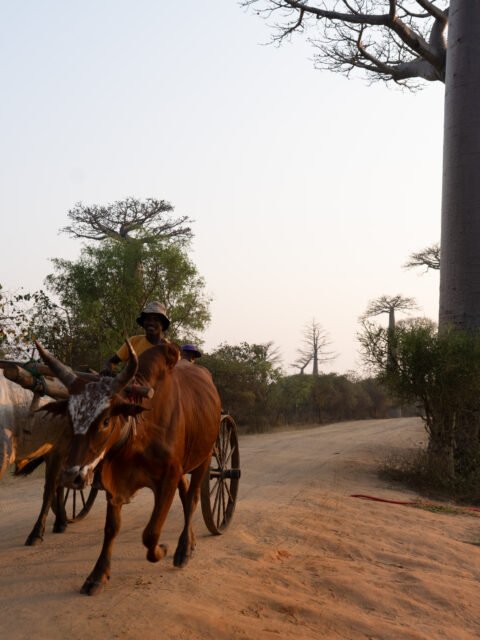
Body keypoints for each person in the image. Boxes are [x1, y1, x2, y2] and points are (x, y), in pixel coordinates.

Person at [100, 301, 171, 375]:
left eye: (156, 320)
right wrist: (107, 369)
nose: (151, 322)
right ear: (144, 323)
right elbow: (111, 361)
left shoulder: (169, 349)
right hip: (130, 384)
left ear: (162, 325)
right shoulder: (133, 341)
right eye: (148, 319)